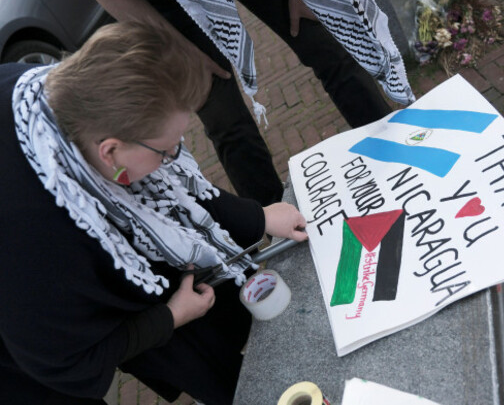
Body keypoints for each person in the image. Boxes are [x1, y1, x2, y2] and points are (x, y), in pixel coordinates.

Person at [0, 20, 308, 405]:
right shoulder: (38, 248)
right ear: (109, 151)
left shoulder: (58, 91)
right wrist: (169, 318)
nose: (174, 159)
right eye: (165, 151)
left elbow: (173, 188)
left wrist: (259, 217)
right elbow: (66, 363)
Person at [73, 0, 396, 207]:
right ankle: (279, 224)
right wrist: (179, 51)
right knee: (223, 116)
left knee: (328, 49)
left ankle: (396, 156)